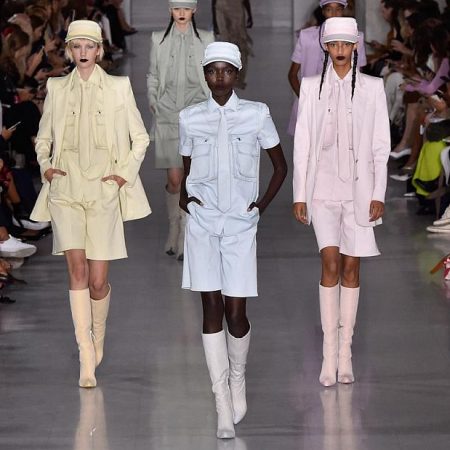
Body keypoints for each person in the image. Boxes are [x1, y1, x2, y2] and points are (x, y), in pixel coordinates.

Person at [31, 20, 151, 388]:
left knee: (99, 282)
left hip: (103, 189)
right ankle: (85, 352)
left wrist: (122, 175)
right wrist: (47, 167)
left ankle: (97, 335)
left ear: (99, 50)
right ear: (69, 51)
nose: (83, 52)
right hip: (66, 188)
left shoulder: (118, 88)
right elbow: (43, 138)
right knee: (78, 270)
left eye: (89, 46)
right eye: (76, 46)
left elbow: (140, 138)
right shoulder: (56, 88)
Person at [179, 42, 287, 438]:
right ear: (205, 75)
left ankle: (237, 375)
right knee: (210, 307)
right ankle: (221, 400)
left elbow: (280, 167)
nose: (219, 77)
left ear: (237, 74)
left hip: (241, 225)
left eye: (226, 71)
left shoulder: (257, 114)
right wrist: (186, 200)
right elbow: (187, 168)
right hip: (203, 223)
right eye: (213, 71)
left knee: (236, 314)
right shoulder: (190, 118)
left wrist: (259, 207)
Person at [292, 17, 390, 387]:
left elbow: (380, 146)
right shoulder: (310, 87)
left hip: (359, 191)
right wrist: (300, 195)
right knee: (330, 261)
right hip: (322, 188)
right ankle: (327, 354)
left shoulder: (372, 88)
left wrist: (379, 193)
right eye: (333, 44)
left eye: (345, 44)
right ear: (325, 48)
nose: (339, 51)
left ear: (355, 47)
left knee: (351, 267)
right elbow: (302, 144)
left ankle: (345, 352)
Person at [147, 0, 214, 260]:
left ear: (194, 10)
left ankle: (186, 232)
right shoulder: (158, 40)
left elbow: (212, 73)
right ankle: (174, 226)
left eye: (186, 8)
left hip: (196, 114)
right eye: (177, 9)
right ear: (170, 10)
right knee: (174, 179)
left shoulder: (206, 39)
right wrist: (153, 101)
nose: (181, 13)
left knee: (190, 177)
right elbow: (153, 74)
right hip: (167, 113)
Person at [287, 0, 367, 136]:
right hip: (311, 106)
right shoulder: (307, 37)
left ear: (344, 11)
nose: (334, 14)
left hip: (342, 107)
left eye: (338, 9)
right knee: (309, 145)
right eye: (329, 9)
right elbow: (292, 74)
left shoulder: (357, 38)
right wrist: (306, 100)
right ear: (323, 11)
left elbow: (359, 76)